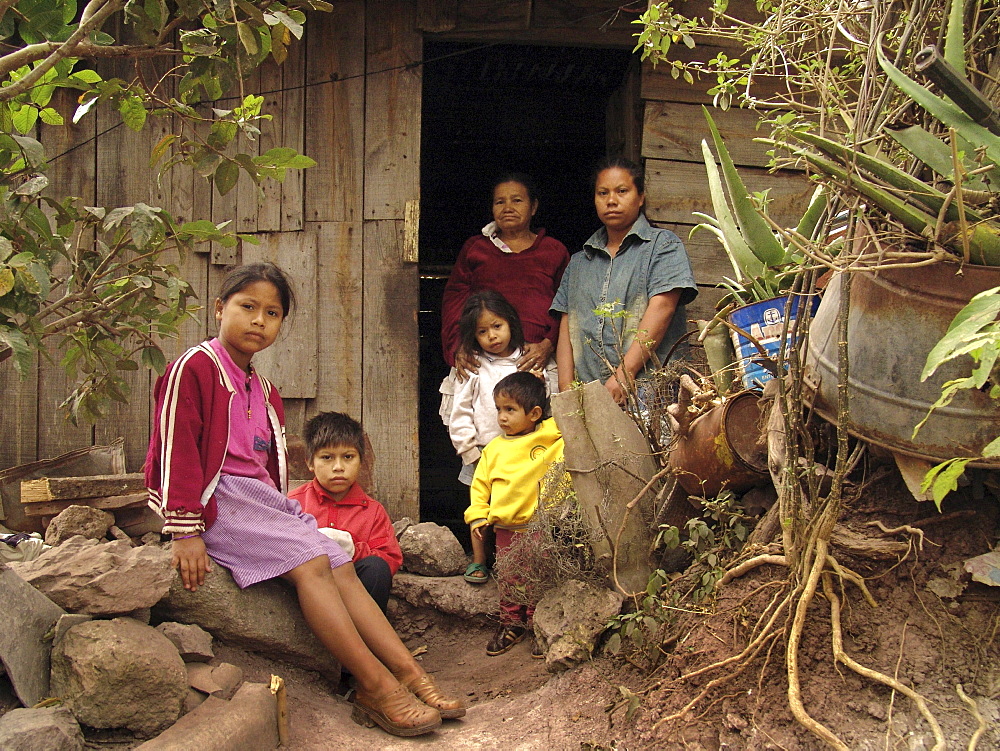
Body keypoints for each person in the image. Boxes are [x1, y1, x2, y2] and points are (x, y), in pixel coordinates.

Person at [144, 262, 465, 738]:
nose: (259, 320)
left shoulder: (264, 389)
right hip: (217, 500)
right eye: (247, 307)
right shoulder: (194, 368)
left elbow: (264, 471)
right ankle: (375, 687)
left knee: (337, 559)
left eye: (272, 313)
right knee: (311, 559)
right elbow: (175, 448)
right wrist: (185, 528)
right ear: (219, 309)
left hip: (258, 502)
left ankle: (409, 674)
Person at [551, 157, 698, 406]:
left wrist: (624, 374)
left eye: (622, 191)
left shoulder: (663, 246)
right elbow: (567, 325)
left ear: (640, 197)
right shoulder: (578, 262)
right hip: (589, 395)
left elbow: (662, 308)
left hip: (651, 391)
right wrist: (567, 390)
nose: (611, 200)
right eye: (603, 193)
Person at [447, 290, 555, 585]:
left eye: (497, 326)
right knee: (479, 505)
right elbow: (459, 414)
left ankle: (525, 561)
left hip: (523, 453)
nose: (492, 336)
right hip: (483, 452)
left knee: (521, 506)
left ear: (511, 323)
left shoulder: (530, 360)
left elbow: (544, 408)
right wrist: (470, 451)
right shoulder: (472, 366)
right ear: (473, 336)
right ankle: (479, 559)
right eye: (482, 331)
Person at [464, 371, 564, 657]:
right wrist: (478, 514)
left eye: (510, 409)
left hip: (539, 526)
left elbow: (575, 421)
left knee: (539, 576)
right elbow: (480, 484)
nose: (502, 417)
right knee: (509, 578)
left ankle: (537, 625)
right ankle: (512, 623)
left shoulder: (551, 436)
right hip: (506, 528)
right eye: (498, 409)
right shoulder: (494, 449)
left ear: (534, 413)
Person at [441, 172, 569, 379]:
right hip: (481, 360)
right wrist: (457, 347)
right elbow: (454, 302)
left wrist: (548, 345)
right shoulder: (476, 248)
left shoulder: (553, 251)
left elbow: (565, 306)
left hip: (534, 360)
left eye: (517, 200)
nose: (508, 208)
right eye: (500, 202)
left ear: (533, 207)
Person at [289, 411, 402, 615]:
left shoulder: (373, 511)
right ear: (310, 462)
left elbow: (390, 561)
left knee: (375, 568)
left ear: (361, 460)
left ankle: (367, 636)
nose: (338, 467)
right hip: (306, 588)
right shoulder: (294, 503)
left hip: (354, 595)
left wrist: (354, 550)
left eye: (348, 457)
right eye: (327, 457)